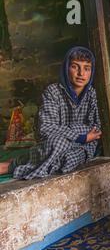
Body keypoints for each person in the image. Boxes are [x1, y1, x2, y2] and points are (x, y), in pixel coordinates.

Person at [0, 46, 102, 179]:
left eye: (87, 68)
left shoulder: (92, 94)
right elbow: (46, 128)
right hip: (54, 143)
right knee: (58, 143)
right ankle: (12, 165)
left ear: (91, 71)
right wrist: (81, 136)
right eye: (75, 67)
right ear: (66, 68)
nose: (81, 73)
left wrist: (80, 137)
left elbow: (95, 129)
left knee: (69, 160)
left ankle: (16, 163)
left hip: (83, 146)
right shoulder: (53, 91)